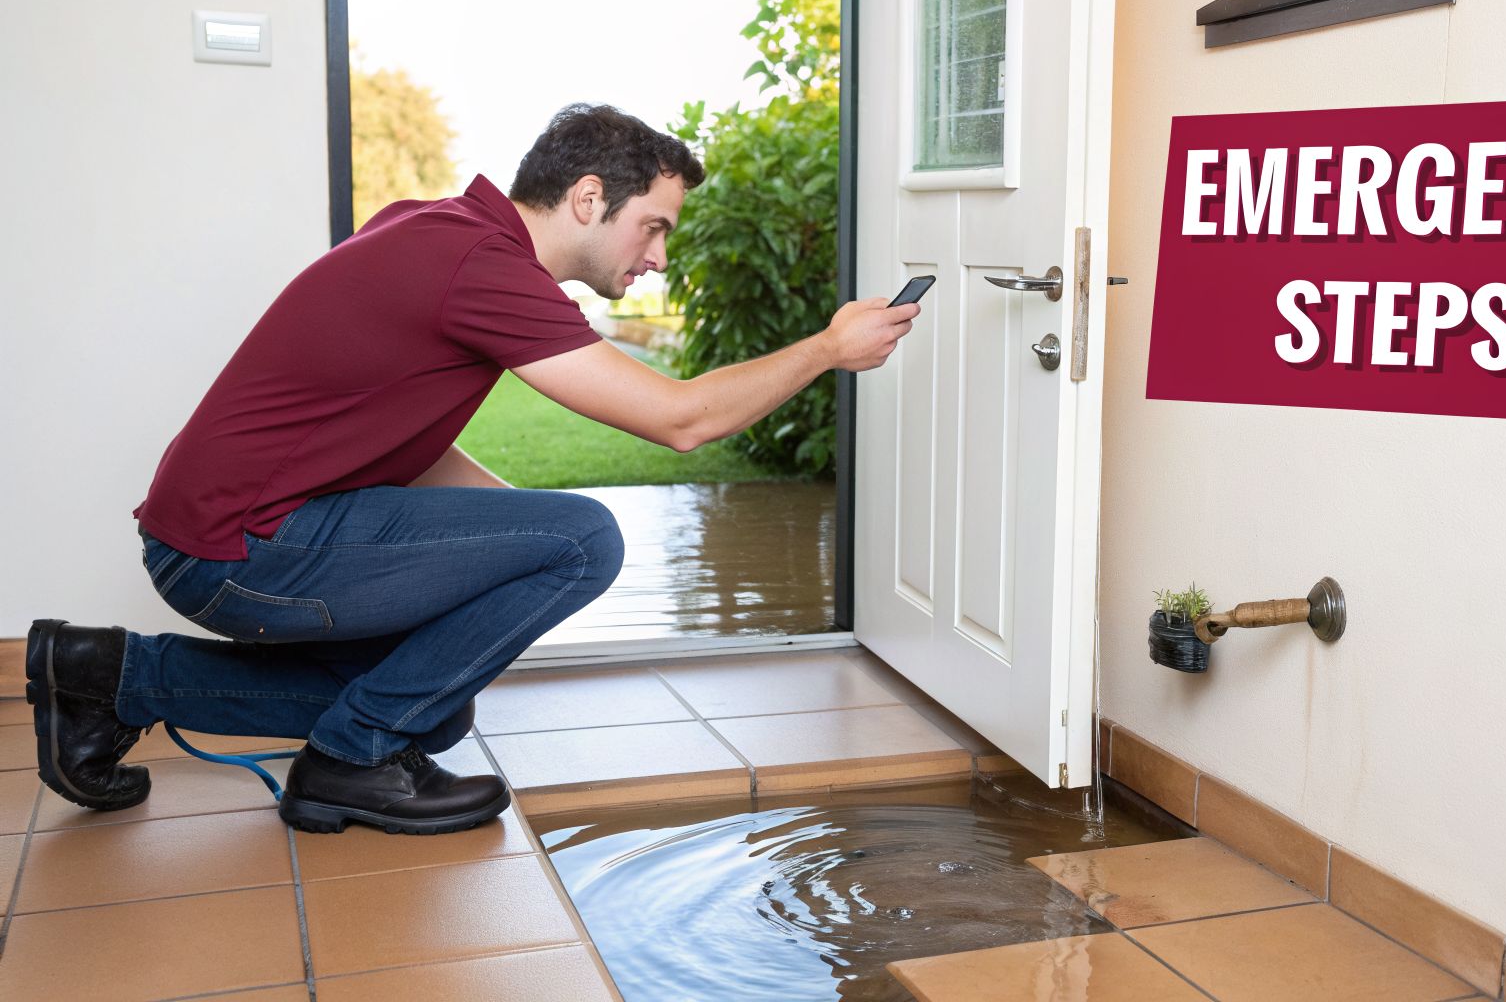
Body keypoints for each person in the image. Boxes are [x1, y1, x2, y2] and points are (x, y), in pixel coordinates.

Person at [24, 103, 918, 835]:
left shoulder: (433, 227)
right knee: (584, 542)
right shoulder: (481, 268)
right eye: (653, 228)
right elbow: (682, 421)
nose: (657, 258)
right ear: (587, 196)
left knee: (434, 704)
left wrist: (505, 545)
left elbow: (405, 436)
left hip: (219, 537)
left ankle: (107, 674)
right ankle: (345, 766)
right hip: (241, 550)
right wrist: (830, 348)